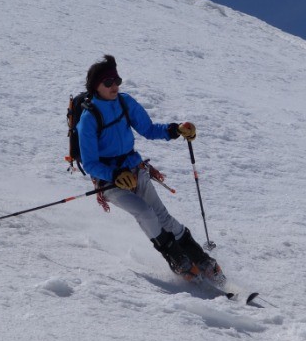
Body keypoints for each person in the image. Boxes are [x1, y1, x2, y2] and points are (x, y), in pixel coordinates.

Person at [76, 54, 216, 278]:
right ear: (96, 86)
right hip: (109, 182)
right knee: (145, 212)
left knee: (163, 217)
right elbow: (90, 162)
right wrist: (114, 174)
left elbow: (149, 129)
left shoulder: (124, 102)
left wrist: (175, 130)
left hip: (135, 170)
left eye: (117, 80)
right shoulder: (88, 119)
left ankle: (201, 259)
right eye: (108, 82)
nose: (115, 86)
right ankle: (177, 259)